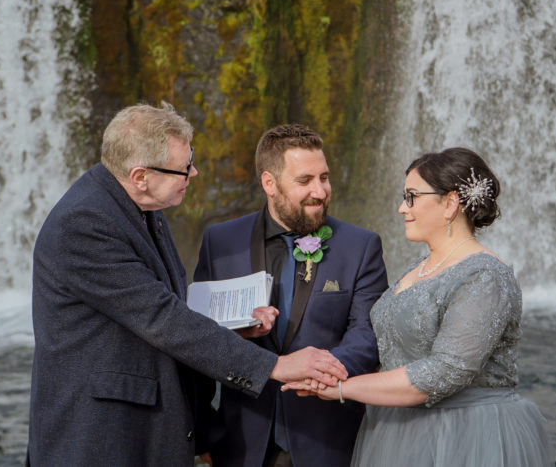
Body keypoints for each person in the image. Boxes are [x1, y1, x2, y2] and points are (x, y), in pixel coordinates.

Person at [26, 103, 348, 467]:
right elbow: (163, 320)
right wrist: (276, 366)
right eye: (184, 167)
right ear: (140, 176)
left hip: (146, 429)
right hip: (101, 439)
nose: (193, 172)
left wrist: (232, 329)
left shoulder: (143, 207)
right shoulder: (83, 224)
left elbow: (168, 310)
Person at [282, 147, 554, 466]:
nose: (401, 208)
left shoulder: (485, 277)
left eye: (411, 197)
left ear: (450, 203)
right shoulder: (422, 264)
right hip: (398, 431)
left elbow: (441, 373)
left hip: (464, 438)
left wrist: (343, 387)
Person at [194, 124, 389, 467]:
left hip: (328, 441)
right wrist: (204, 430)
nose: (320, 191)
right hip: (239, 443)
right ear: (270, 183)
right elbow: (196, 336)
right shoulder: (220, 243)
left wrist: (321, 373)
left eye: (324, 178)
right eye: (305, 181)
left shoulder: (360, 246)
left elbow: (367, 332)